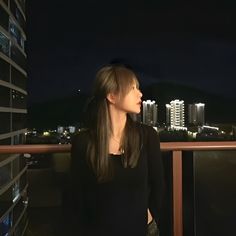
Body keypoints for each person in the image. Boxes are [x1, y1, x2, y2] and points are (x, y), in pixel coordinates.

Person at [70, 64, 164, 236]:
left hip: (143, 230)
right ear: (112, 96)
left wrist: (151, 219)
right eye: (133, 88)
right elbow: (77, 197)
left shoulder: (147, 135)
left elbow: (159, 186)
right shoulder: (83, 141)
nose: (140, 93)